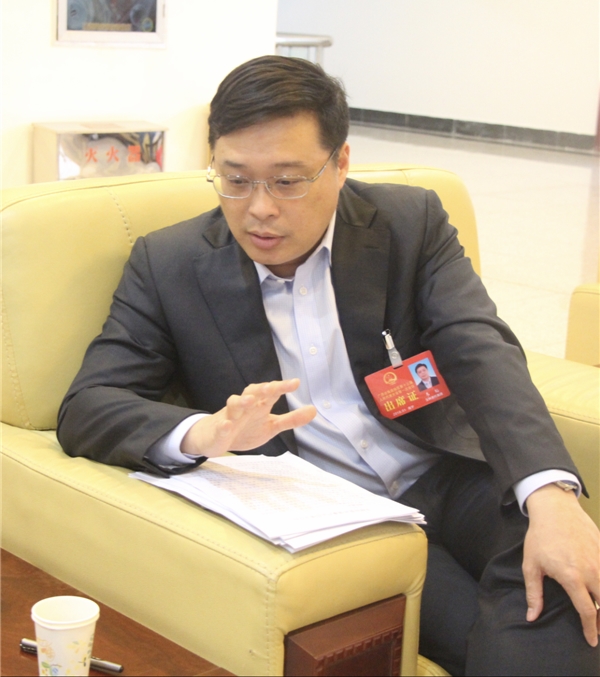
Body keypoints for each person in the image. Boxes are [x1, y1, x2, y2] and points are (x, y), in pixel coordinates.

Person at [57, 56, 599, 676]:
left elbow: (480, 347)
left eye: (287, 181)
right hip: (342, 514)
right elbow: (88, 406)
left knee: (563, 573)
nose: (259, 208)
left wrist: (551, 495)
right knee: (510, 624)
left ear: (340, 164)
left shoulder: (409, 222)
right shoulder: (169, 264)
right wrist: (208, 433)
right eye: (235, 179)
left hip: (448, 469)